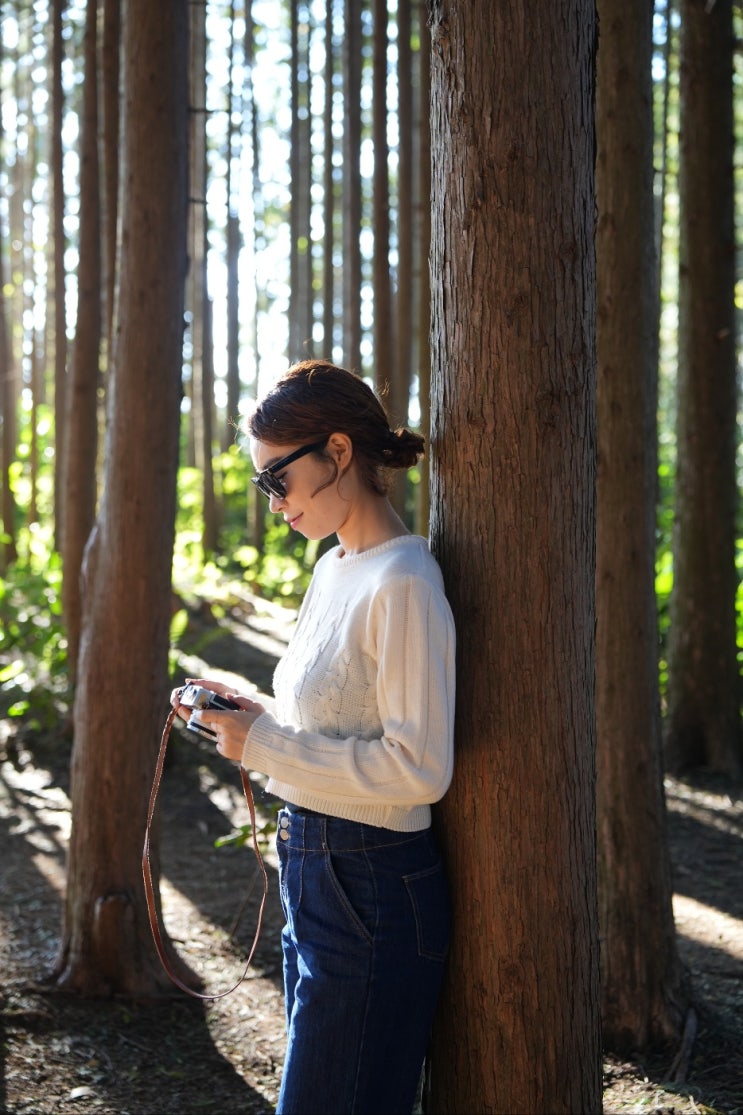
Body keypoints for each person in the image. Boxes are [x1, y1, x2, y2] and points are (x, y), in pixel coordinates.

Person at [171, 359, 456, 1115]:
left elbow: (420, 768)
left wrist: (264, 747)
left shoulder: (405, 582)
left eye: (279, 479)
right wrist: (252, 715)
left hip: (372, 881)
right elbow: (334, 718)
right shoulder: (333, 567)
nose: (273, 502)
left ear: (337, 451)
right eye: (263, 483)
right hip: (315, 870)